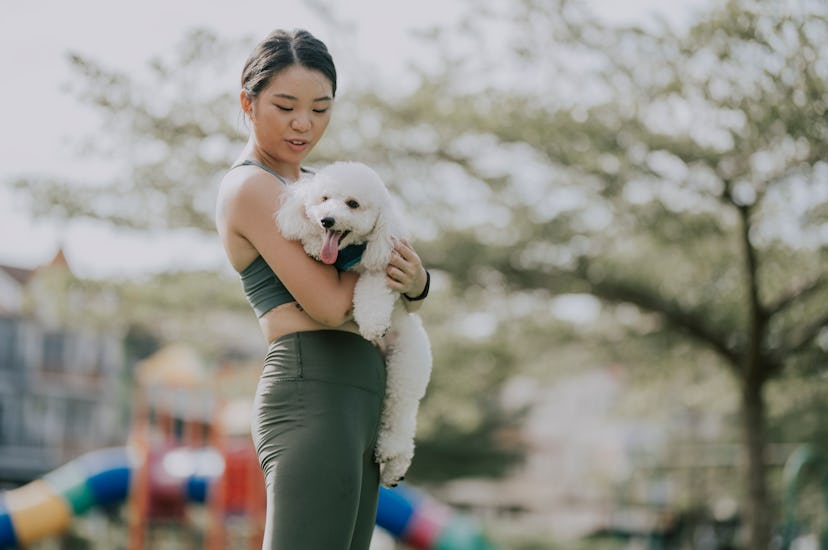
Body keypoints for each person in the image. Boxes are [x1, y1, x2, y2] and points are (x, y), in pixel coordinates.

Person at [214, 29, 430, 550]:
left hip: (362, 397)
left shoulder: (323, 188)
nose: (303, 124)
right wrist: (387, 260)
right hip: (313, 389)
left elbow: (400, 278)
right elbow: (332, 305)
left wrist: (419, 284)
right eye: (286, 106)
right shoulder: (253, 187)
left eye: (320, 108)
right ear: (248, 102)